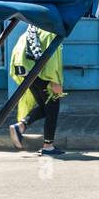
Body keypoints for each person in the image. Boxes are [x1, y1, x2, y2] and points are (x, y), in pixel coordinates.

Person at [7, 25, 65, 156]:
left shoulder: (31, 30)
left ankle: (20, 126)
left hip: (27, 73)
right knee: (52, 108)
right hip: (41, 74)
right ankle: (48, 146)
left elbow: (15, 54)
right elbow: (51, 59)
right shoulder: (50, 32)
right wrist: (54, 81)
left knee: (45, 107)